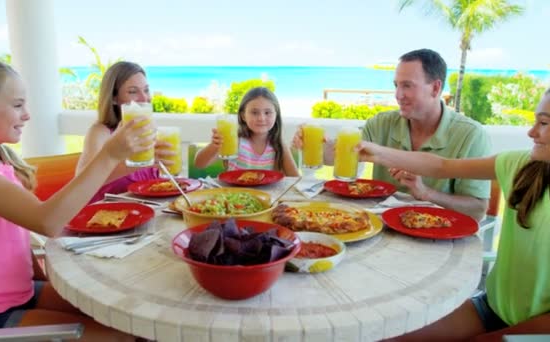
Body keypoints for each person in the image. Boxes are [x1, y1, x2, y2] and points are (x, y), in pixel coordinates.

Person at [0, 58, 151, 341]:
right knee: (122, 337)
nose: (27, 115)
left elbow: (14, 239)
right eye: (17, 105)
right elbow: (47, 221)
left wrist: (47, 281)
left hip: (19, 293)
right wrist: (110, 154)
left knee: (133, 318)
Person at [356, 88, 550, 341]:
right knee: (383, 336)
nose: (532, 132)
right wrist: (377, 152)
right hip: (490, 309)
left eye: (544, 123)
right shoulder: (522, 166)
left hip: (539, 330)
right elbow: (441, 166)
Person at [293, 49, 491, 221]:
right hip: (382, 230)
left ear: (436, 88)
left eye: (407, 85)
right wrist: (314, 146)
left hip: (440, 240)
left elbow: (477, 210)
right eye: (396, 85)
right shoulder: (381, 123)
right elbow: (337, 154)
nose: (398, 95)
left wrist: (426, 193)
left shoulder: (471, 135)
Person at [77, 61, 174, 202]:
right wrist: (141, 162)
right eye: (133, 91)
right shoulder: (100, 132)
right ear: (114, 98)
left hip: (148, 211)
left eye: (146, 90)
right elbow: (82, 183)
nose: (144, 98)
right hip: (106, 216)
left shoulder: (147, 130)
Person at [194, 87, 299, 176]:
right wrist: (214, 145)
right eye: (254, 112)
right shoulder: (235, 141)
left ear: (276, 115)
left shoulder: (279, 146)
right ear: (243, 116)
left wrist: (299, 148)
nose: (261, 118)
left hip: (268, 198)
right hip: (236, 197)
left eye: (267, 112)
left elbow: (295, 179)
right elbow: (199, 164)